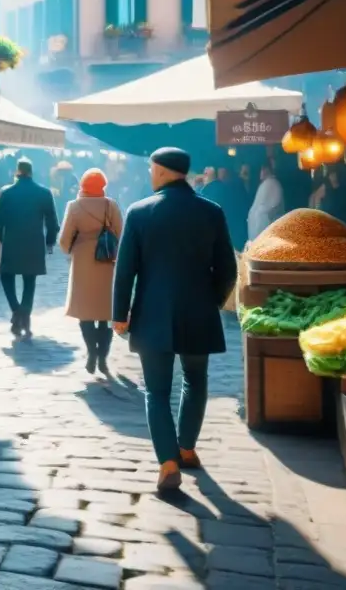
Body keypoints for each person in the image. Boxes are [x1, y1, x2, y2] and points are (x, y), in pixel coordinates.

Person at [112, 147, 237, 492]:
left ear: (163, 171)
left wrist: (119, 315)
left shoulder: (139, 211)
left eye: (152, 168)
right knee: (195, 381)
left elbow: (125, 272)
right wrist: (210, 301)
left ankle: (168, 462)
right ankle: (186, 448)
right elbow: (228, 268)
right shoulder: (212, 212)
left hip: (152, 313)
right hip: (199, 311)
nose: (150, 174)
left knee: (156, 391)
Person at [58, 168, 123, 377]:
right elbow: (121, 232)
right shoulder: (110, 205)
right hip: (107, 260)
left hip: (83, 261)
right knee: (105, 314)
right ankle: (103, 356)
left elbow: (64, 239)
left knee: (85, 313)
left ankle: (92, 352)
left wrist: (70, 250)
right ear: (102, 185)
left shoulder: (74, 206)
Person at [0, 158, 59, 339]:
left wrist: (3, 239)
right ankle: (24, 315)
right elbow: (52, 222)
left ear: (17, 172)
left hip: (12, 241)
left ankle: (16, 311)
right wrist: (50, 242)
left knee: (6, 276)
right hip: (34, 243)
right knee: (30, 281)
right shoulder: (44, 193)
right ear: (31, 172)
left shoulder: (7, 193)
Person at [248, 162, 284, 241]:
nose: (261, 172)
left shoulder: (271, 183)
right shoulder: (268, 183)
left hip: (266, 230)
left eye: (263, 169)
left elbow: (273, 206)